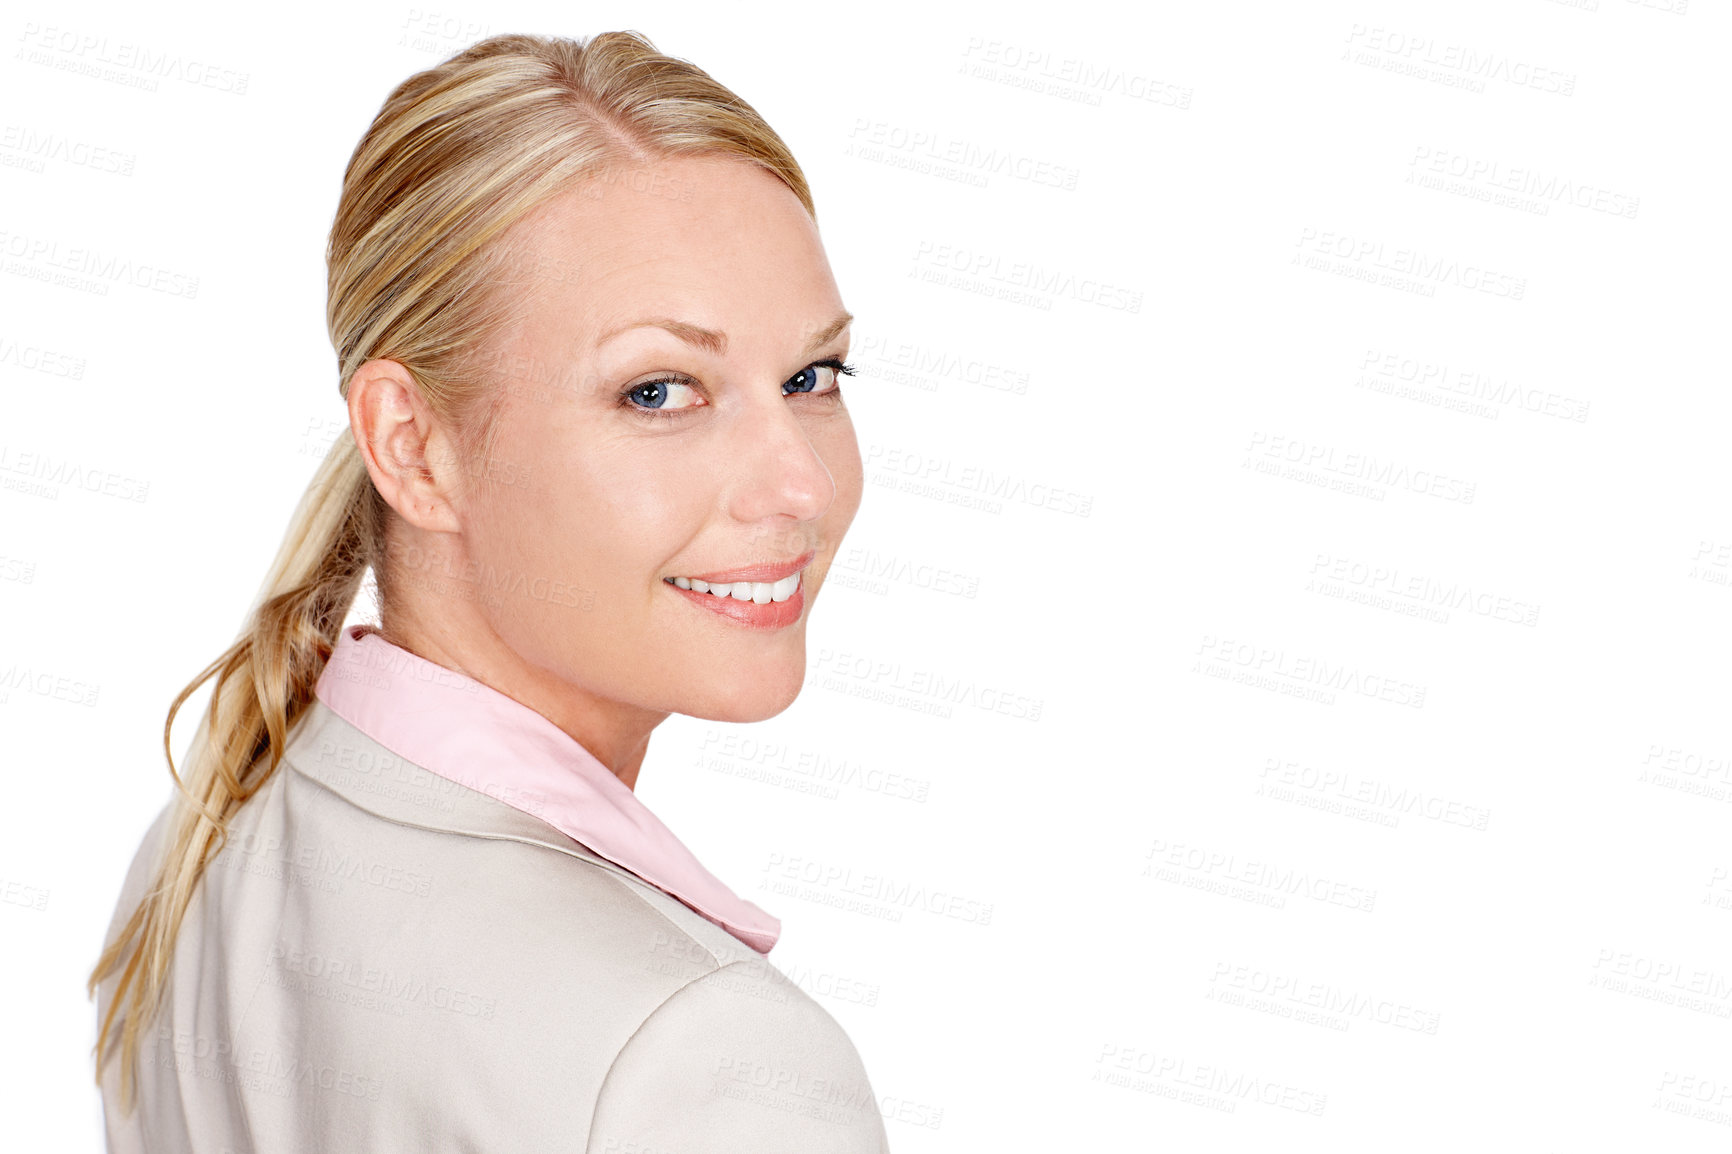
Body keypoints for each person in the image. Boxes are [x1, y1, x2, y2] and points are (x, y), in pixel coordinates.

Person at [87, 30, 889, 1151]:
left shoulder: (200, 842)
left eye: (812, 377)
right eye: (660, 390)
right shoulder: (706, 1062)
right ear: (412, 446)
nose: (800, 483)